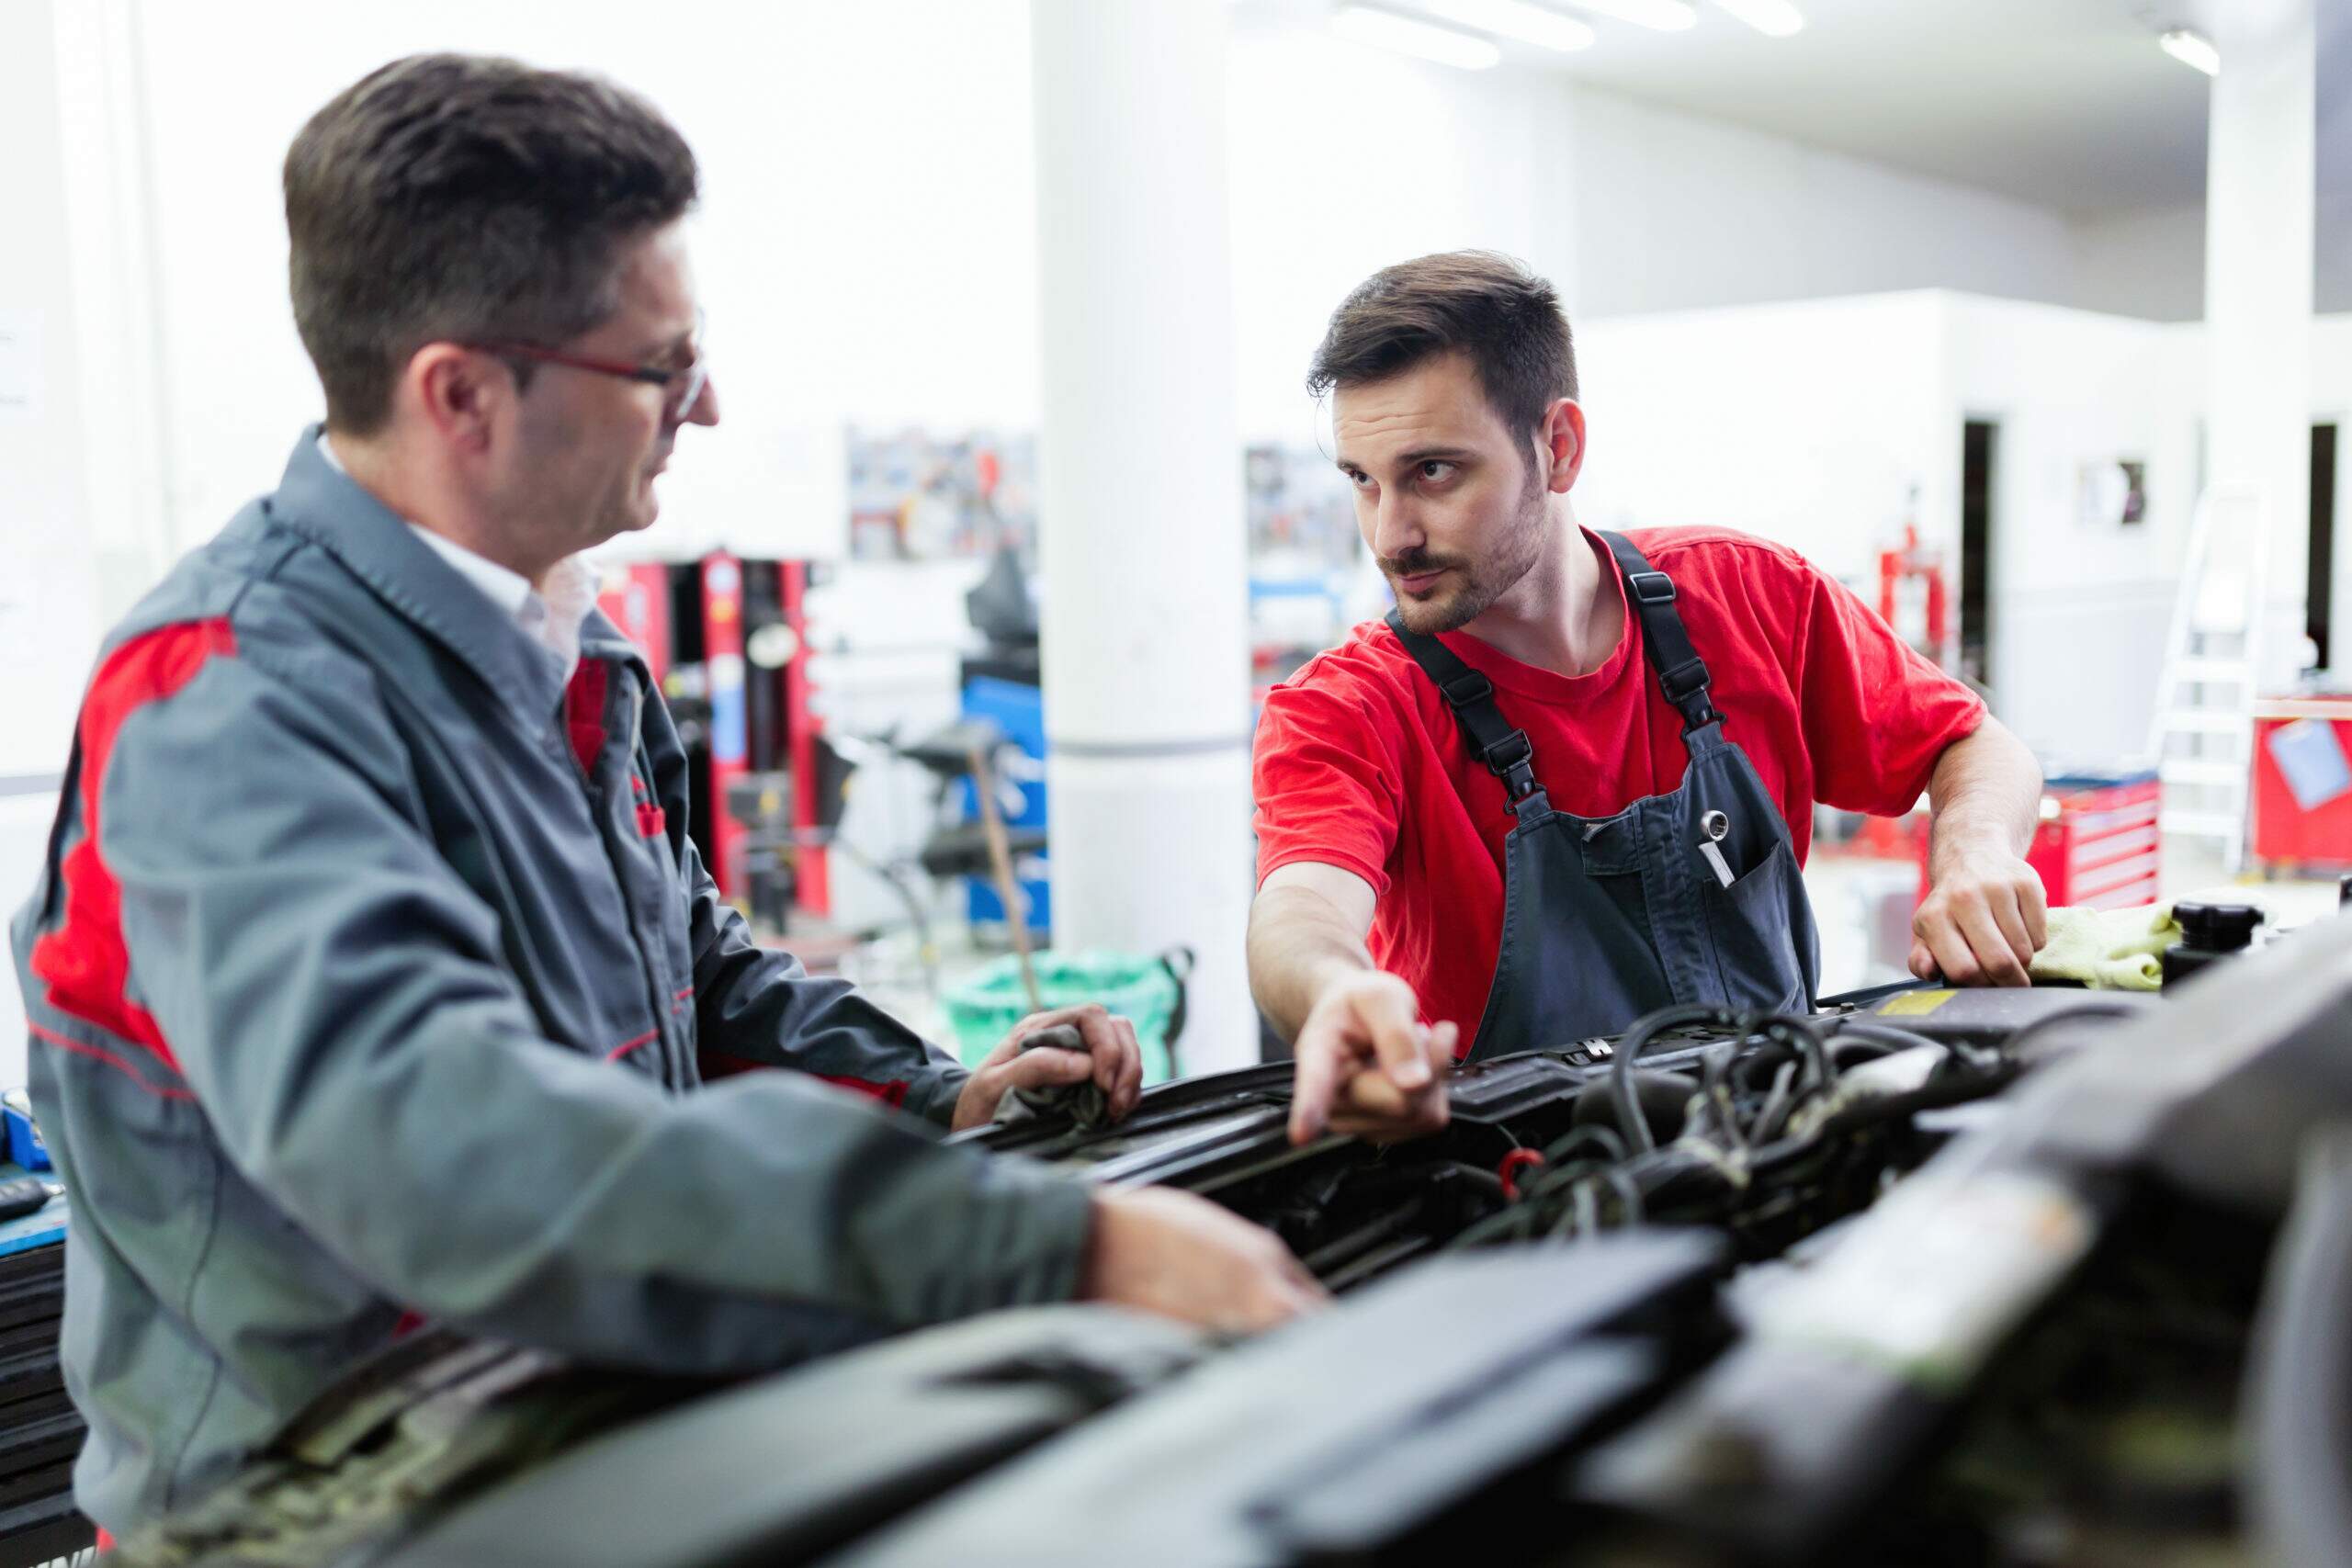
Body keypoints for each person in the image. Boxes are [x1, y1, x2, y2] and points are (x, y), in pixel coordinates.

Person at [9, 53, 1319, 1539]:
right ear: (462, 395)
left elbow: (690, 973)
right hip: (325, 1508)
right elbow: (449, 1150)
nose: (706, 404)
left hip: (580, 1423)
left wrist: (933, 1092)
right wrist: (1037, 1244)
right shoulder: (226, 701)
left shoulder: (568, 644)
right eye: (658, 366)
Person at [1248, 252, 2048, 1147]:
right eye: (1363, 479)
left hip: (1785, 1143)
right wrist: (1335, 992)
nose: (1390, 534)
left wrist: (1974, 850)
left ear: (1557, 447)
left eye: (1432, 472)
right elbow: (1301, 908)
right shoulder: (1346, 708)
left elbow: (1976, 743)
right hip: (1528, 1199)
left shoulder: (1747, 596)